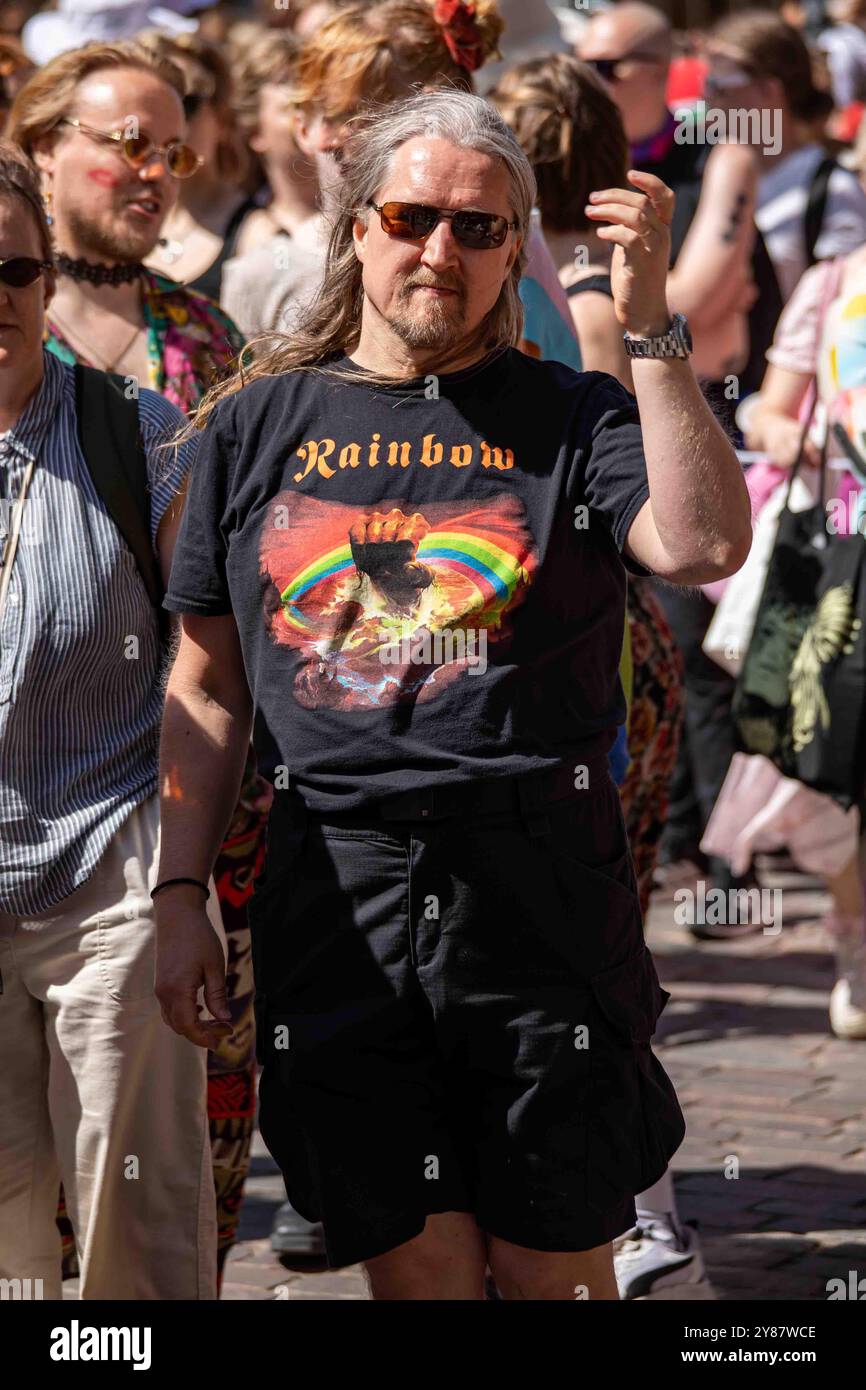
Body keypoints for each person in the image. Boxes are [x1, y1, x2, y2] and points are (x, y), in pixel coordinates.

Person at [155, 88, 751, 1300]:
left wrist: (653, 337)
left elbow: (697, 547)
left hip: (537, 892)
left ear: (513, 245)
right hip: (335, 889)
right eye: (412, 215)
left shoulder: (577, 415)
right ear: (355, 229)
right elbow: (206, 689)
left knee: (555, 1268)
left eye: (479, 229)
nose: (441, 250)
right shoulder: (254, 424)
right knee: (414, 1271)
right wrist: (179, 889)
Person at [6, 38, 269, 1288]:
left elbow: (216, 644)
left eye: (175, 150)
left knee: (139, 1212)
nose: (155, 171)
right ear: (48, 146)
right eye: (126, 142)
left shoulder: (176, 374)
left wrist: (186, 884)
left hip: (120, 846)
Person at [490, 52, 705, 1299]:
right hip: (601, 649)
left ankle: (638, 1204)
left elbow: (609, 475)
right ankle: (620, 1206)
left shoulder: (573, 292)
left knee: (587, 926)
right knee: (588, 927)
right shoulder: (546, 278)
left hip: (586, 653)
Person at [221, 0, 582, 371]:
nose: (352, 138)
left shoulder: (496, 245)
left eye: (382, 119)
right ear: (303, 125)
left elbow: (550, 380)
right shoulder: (264, 272)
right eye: (338, 114)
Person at [706, 9, 866, 303]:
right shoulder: (706, 174)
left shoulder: (831, 190)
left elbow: (843, 312)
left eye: (719, 87)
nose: (708, 101)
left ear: (769, 89)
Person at [137, 30, 257, 302]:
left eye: (185, 103)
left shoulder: (257, 238)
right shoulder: (116, 222)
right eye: (150, 106)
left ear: (222, 118)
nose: (168, 122)